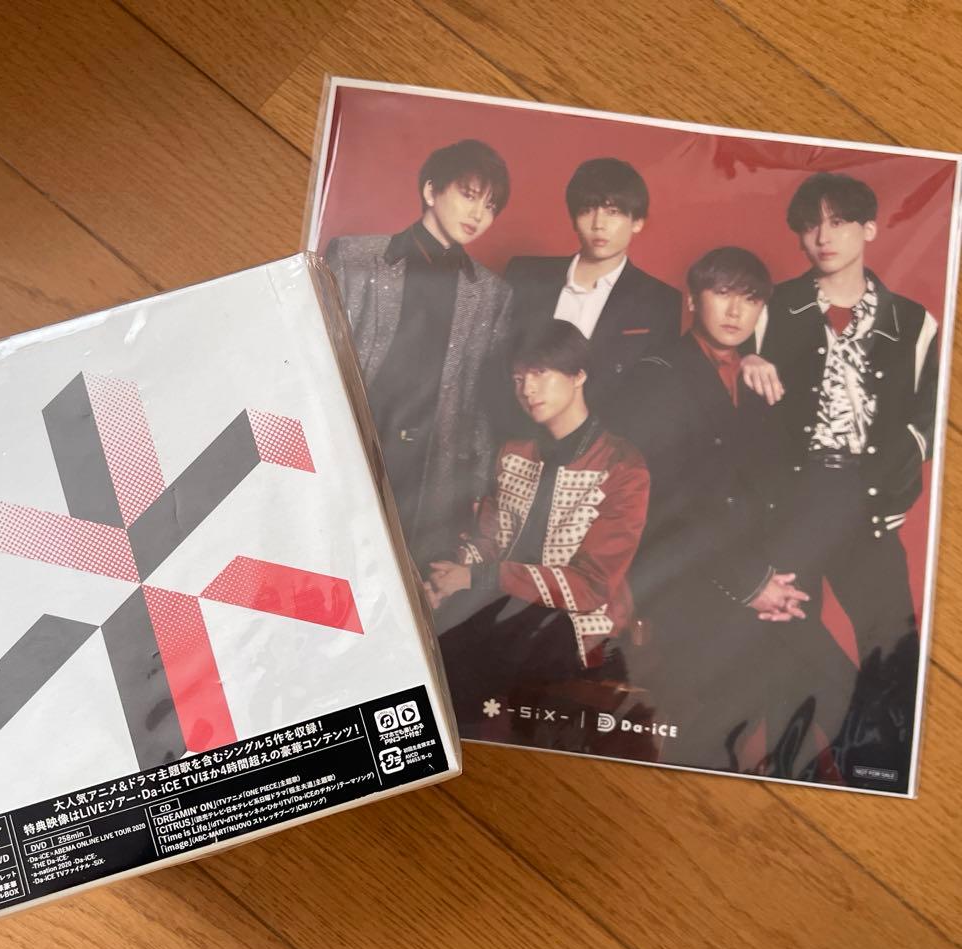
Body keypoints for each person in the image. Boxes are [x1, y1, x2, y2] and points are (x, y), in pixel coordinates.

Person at [616, 247, 854, 776]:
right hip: (692, 587)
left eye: (749, 299)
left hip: (760, 580)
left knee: (828, 694)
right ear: (692, 299)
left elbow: (777, 485)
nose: (734, 311)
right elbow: (666, 505)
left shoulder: (754, 375)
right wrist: (751, 584)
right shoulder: (656, 375)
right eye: (721, 293)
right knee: (717, 728)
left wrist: (779, 582)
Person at [739, 173, 939, 789]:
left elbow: (929, 418)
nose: (822, 236)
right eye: (810, 225)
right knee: (785, 634)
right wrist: (746, 358)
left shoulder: (914, 322)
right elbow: (722, 396)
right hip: (790, 499)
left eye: (839, 222)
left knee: (891, 639)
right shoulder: (769, 308)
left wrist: (895, 485)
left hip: (866, 495)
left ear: (869, 229)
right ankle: (791, 769)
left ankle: (878, 769)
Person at [425, 321, 649, 744]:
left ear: (578, 375)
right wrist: (448, 575)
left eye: (540, 373)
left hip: (576, 625)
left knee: (466, 671)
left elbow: (591, 586)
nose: (527, 389)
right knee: (436, 653)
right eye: (518, 378)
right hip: (504, 608)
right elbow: (490, 542)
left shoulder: (621, 464)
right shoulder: (515, 453)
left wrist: (476, 577)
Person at [324, 139, 513, 568]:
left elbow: (483, 404)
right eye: (468, 195)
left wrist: (477, 489)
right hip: (351, 443)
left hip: (433, 471)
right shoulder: (354, 257)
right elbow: (315, 357)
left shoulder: (492, 294)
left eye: (490, 206)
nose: (478, 214)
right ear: (430, 190)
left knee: (401, 576)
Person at [504, 158, 681, 423]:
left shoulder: (660, 301)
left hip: (607, 438)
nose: (599, 224)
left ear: (637, 222)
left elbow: (655, 394)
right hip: (520, 434)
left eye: (613, 211)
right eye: (587, 210)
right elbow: (496, 364)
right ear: (574, 220)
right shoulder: (525, 275)